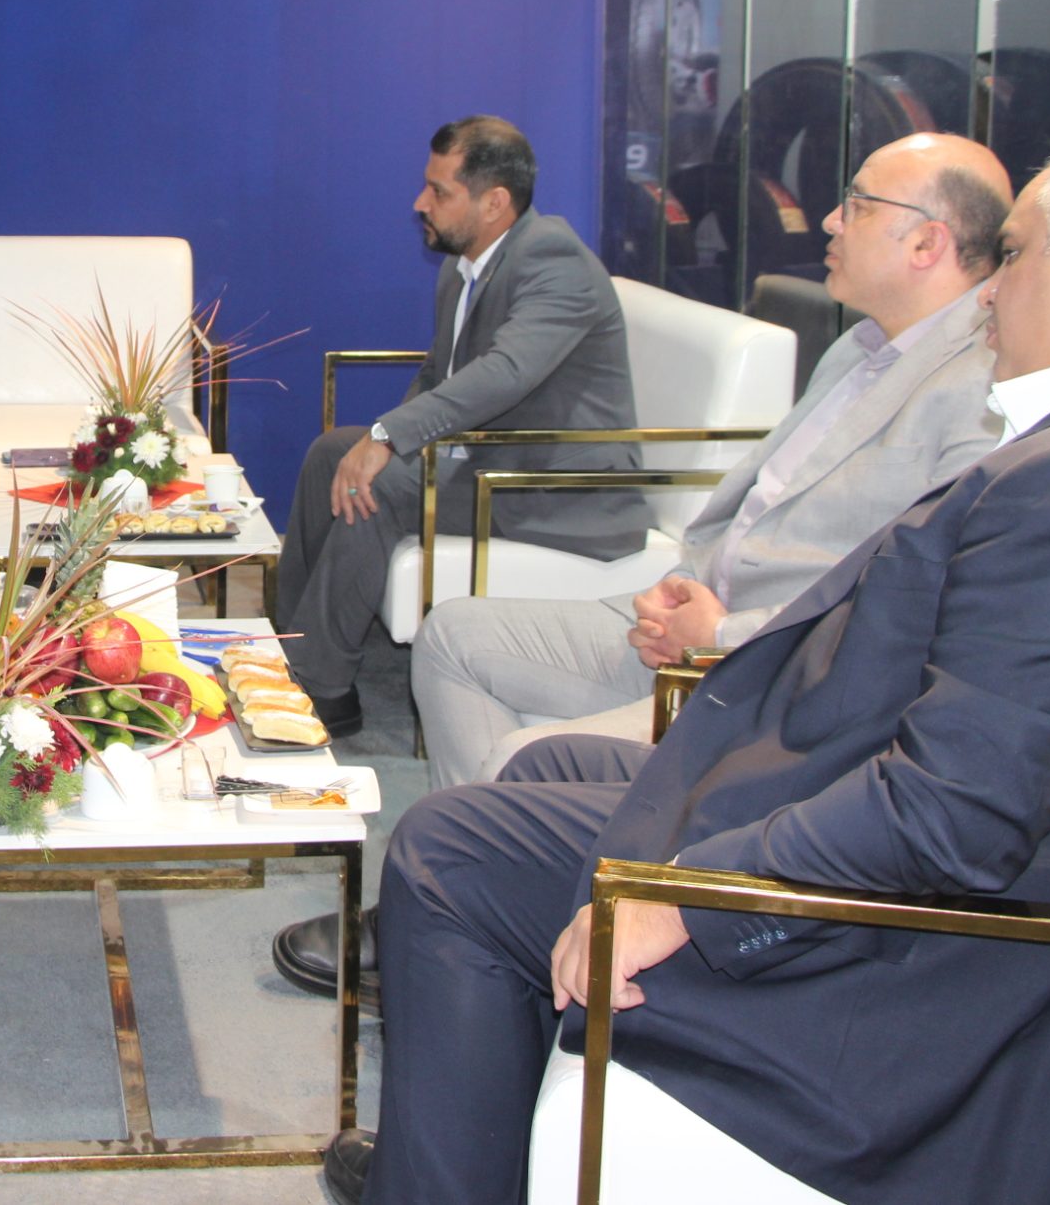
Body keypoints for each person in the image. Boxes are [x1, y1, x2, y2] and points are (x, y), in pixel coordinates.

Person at [323, 122, 1050, 1205]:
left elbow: (950, 820)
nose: (990, 290)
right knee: (545, 769)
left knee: (446, 851)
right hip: (921, 875)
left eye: (1014, 253)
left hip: (923, 982)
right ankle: (480, 1150)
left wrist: (693, 898)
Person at [270, 132, 1012, 1005]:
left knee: (521, 753)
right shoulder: (859, 349)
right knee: (449, 634)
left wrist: (722, 629)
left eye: (856, 204)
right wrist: (681, 581)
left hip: (754, 662)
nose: (826, 219)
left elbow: (907, 598)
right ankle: (471, 902)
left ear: (927, 241)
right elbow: (762, 505)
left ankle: (453, 905)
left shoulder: (980, 395)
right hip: (678, 602)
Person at [276, 116, 646, 738]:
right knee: (331, 454)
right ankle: (289, 644)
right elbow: (439, 373)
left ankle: (323, 689)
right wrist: (385, 439)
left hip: (557, 488)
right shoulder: (464, 265)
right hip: (490, 463)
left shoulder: (555, 261)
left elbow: (506, 372)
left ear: (494, 202)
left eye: (439, 191)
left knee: (381, 485)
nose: (420, 203)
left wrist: (389, 438)